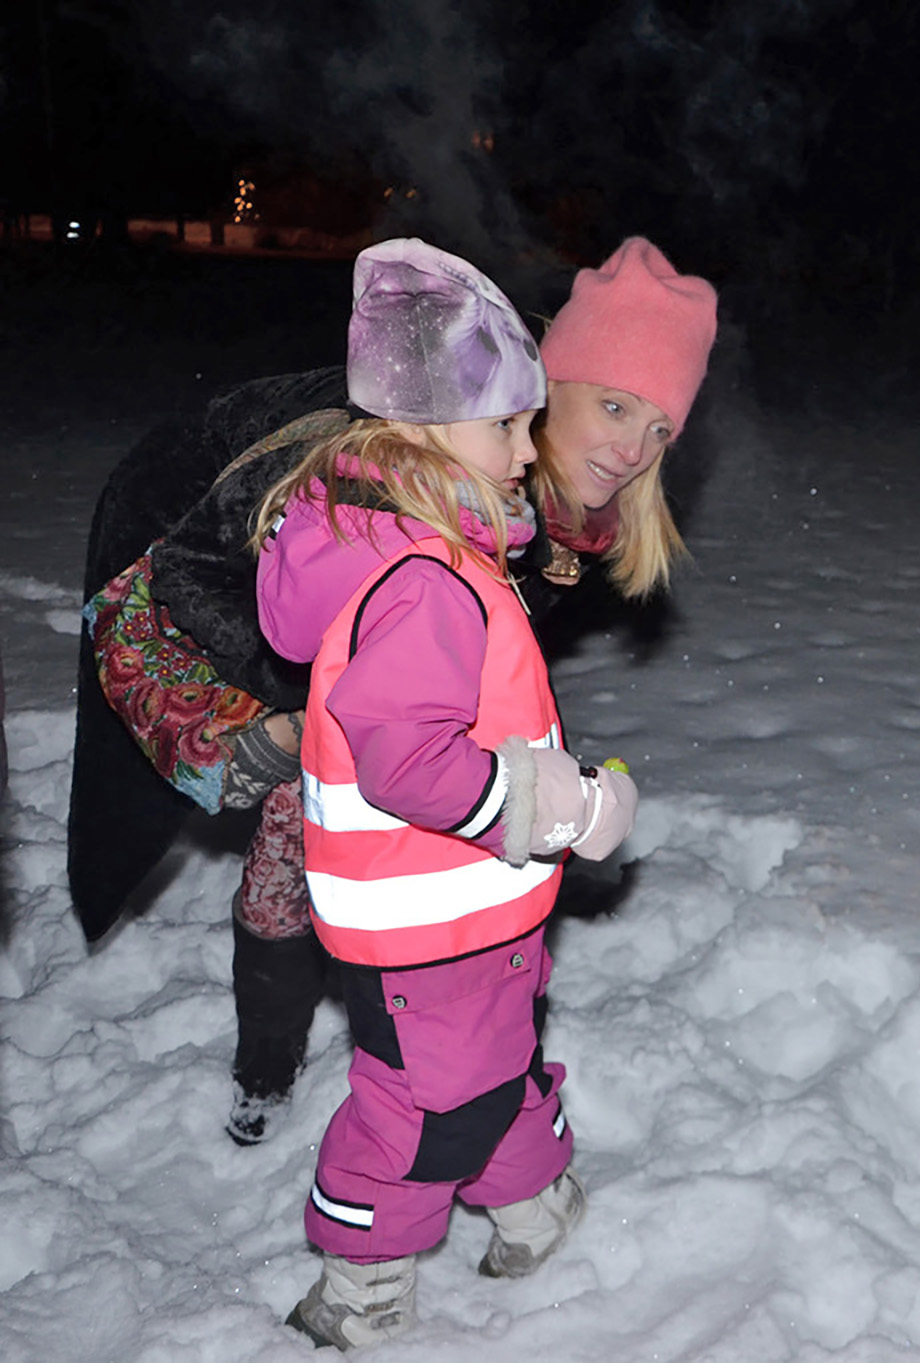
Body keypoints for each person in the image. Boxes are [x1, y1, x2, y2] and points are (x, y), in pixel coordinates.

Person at [68, 235, 717, 1144]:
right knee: (304, 819)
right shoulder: (392, 451)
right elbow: (207, 576)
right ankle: (267, 1064)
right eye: (614, 405)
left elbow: (481, 642)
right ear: (548, 381)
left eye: (659, 430)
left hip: (333, 616)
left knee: (394, 789)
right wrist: (320, 708)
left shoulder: (561, 502)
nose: (633, 449)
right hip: (187, 552)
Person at [253, 238, 638, 1349]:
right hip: (433, 923)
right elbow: (410, 762)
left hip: (457, 908)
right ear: (423, 429)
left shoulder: (396, 541)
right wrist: (564, 807)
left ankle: (536, 1202)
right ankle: (364, 1287)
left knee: (485, 1067)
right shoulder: (425, 577)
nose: (526, 451)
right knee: (425, 1106)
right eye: (506, 425)